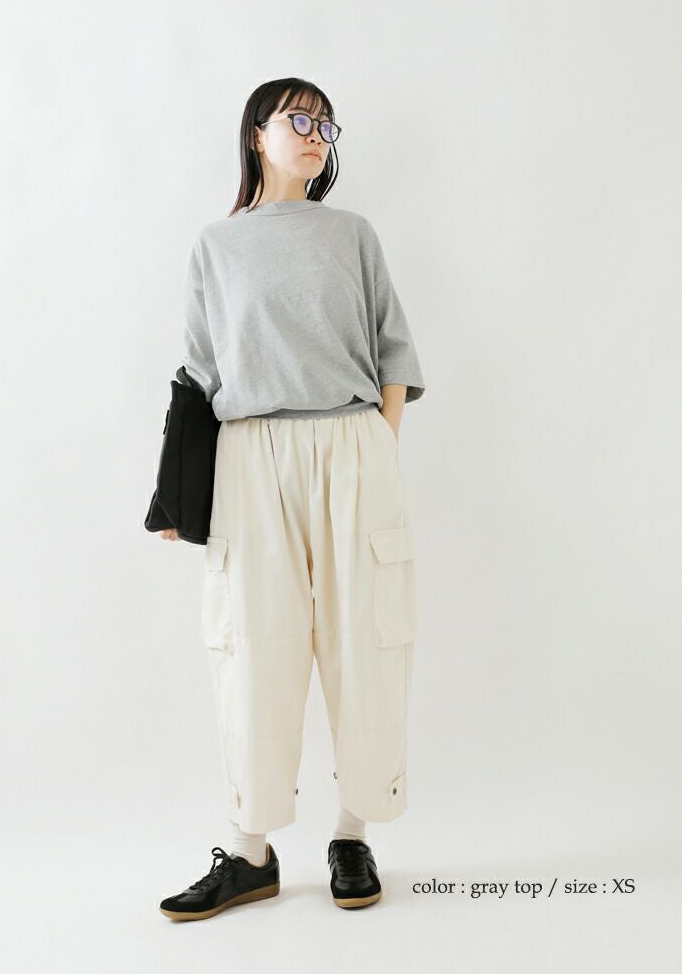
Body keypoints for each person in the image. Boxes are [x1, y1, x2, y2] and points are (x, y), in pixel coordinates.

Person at [158, 77, 426, 921]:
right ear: (256, 134)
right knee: (252, 648)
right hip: (250, 457)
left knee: (366, 639)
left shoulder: (352, 234)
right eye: (297, 119)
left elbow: (393, 348)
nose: (314, 134)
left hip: (351, 445)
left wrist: (378, 445)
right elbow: (200, 373)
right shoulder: (216, 246)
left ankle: (352, 835)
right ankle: (251, 852)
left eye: (325, 124)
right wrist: (178, 493)